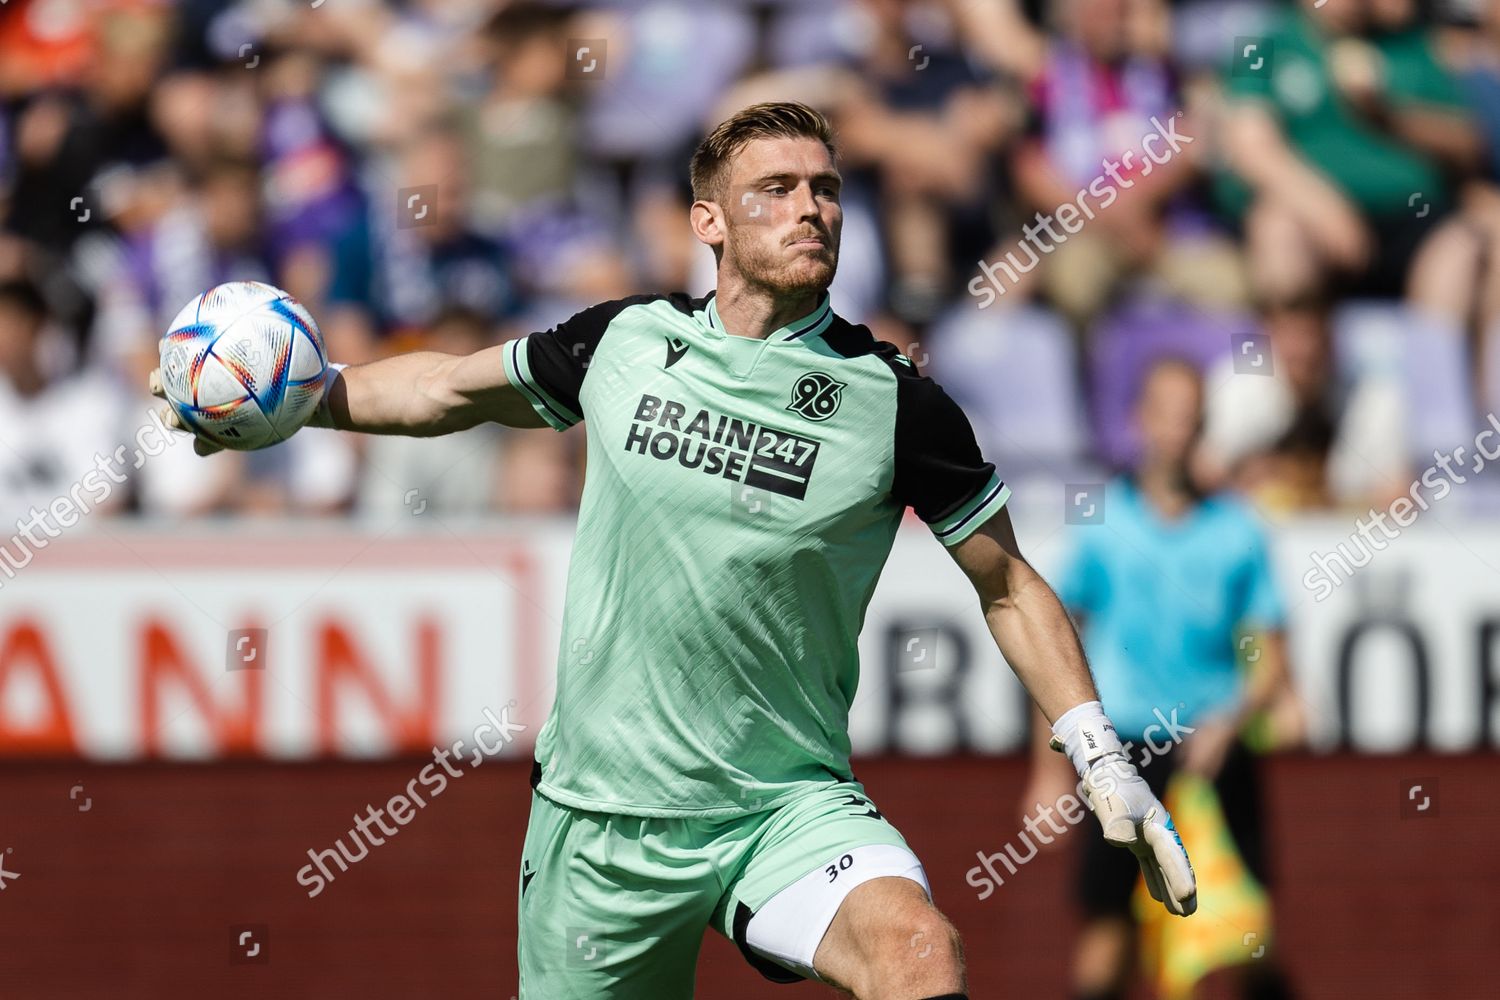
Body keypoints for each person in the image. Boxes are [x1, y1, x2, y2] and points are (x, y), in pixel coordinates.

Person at [153, 102, 1196, 1000]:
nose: (810, 209)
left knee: (919, 951)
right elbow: (443, 390)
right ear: (708, 220)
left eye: (825, 189)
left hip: (783, 804)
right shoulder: (625, 341)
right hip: (601, 821)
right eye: (776, 188)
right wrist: (295, 404)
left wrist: (1099, 754)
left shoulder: (897, 403)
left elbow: (1007, 581)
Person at [1027, 357, 1304, 1000]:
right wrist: (1045, 771)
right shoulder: (1102, 526)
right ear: (1139, 420)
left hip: (1216, 759)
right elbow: (1053, 645)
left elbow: (1270, 653)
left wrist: (1233, 719)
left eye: (1190, 417)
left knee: (1239, 939)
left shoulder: (1238, 529)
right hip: (1122, 753)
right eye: (1167, 414)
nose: (1178, 431)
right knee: (1108, 939)